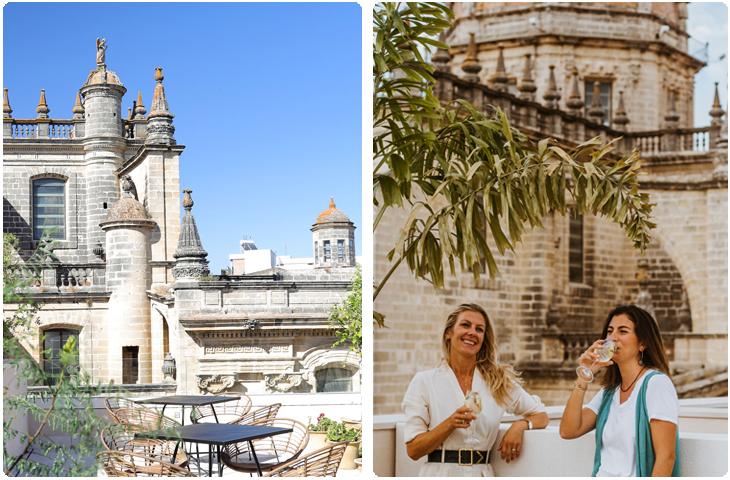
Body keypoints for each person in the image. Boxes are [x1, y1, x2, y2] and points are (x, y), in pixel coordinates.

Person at [402, 303, 549, 476]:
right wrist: (450, 423)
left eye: (479, 329)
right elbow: (413, 449)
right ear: (449, 333)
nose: (472, 332)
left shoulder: (498, 382)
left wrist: (520, 425)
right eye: (465, 325)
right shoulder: (424, 382)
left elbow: (541, 416)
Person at [559, 305, 680, 476]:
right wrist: (584, 375)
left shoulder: (656, 384)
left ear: (642, 344)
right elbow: (568, 431)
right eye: (610, 331)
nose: (613, 338)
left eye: (622, 331)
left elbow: (666, 457)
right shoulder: (610, 392)